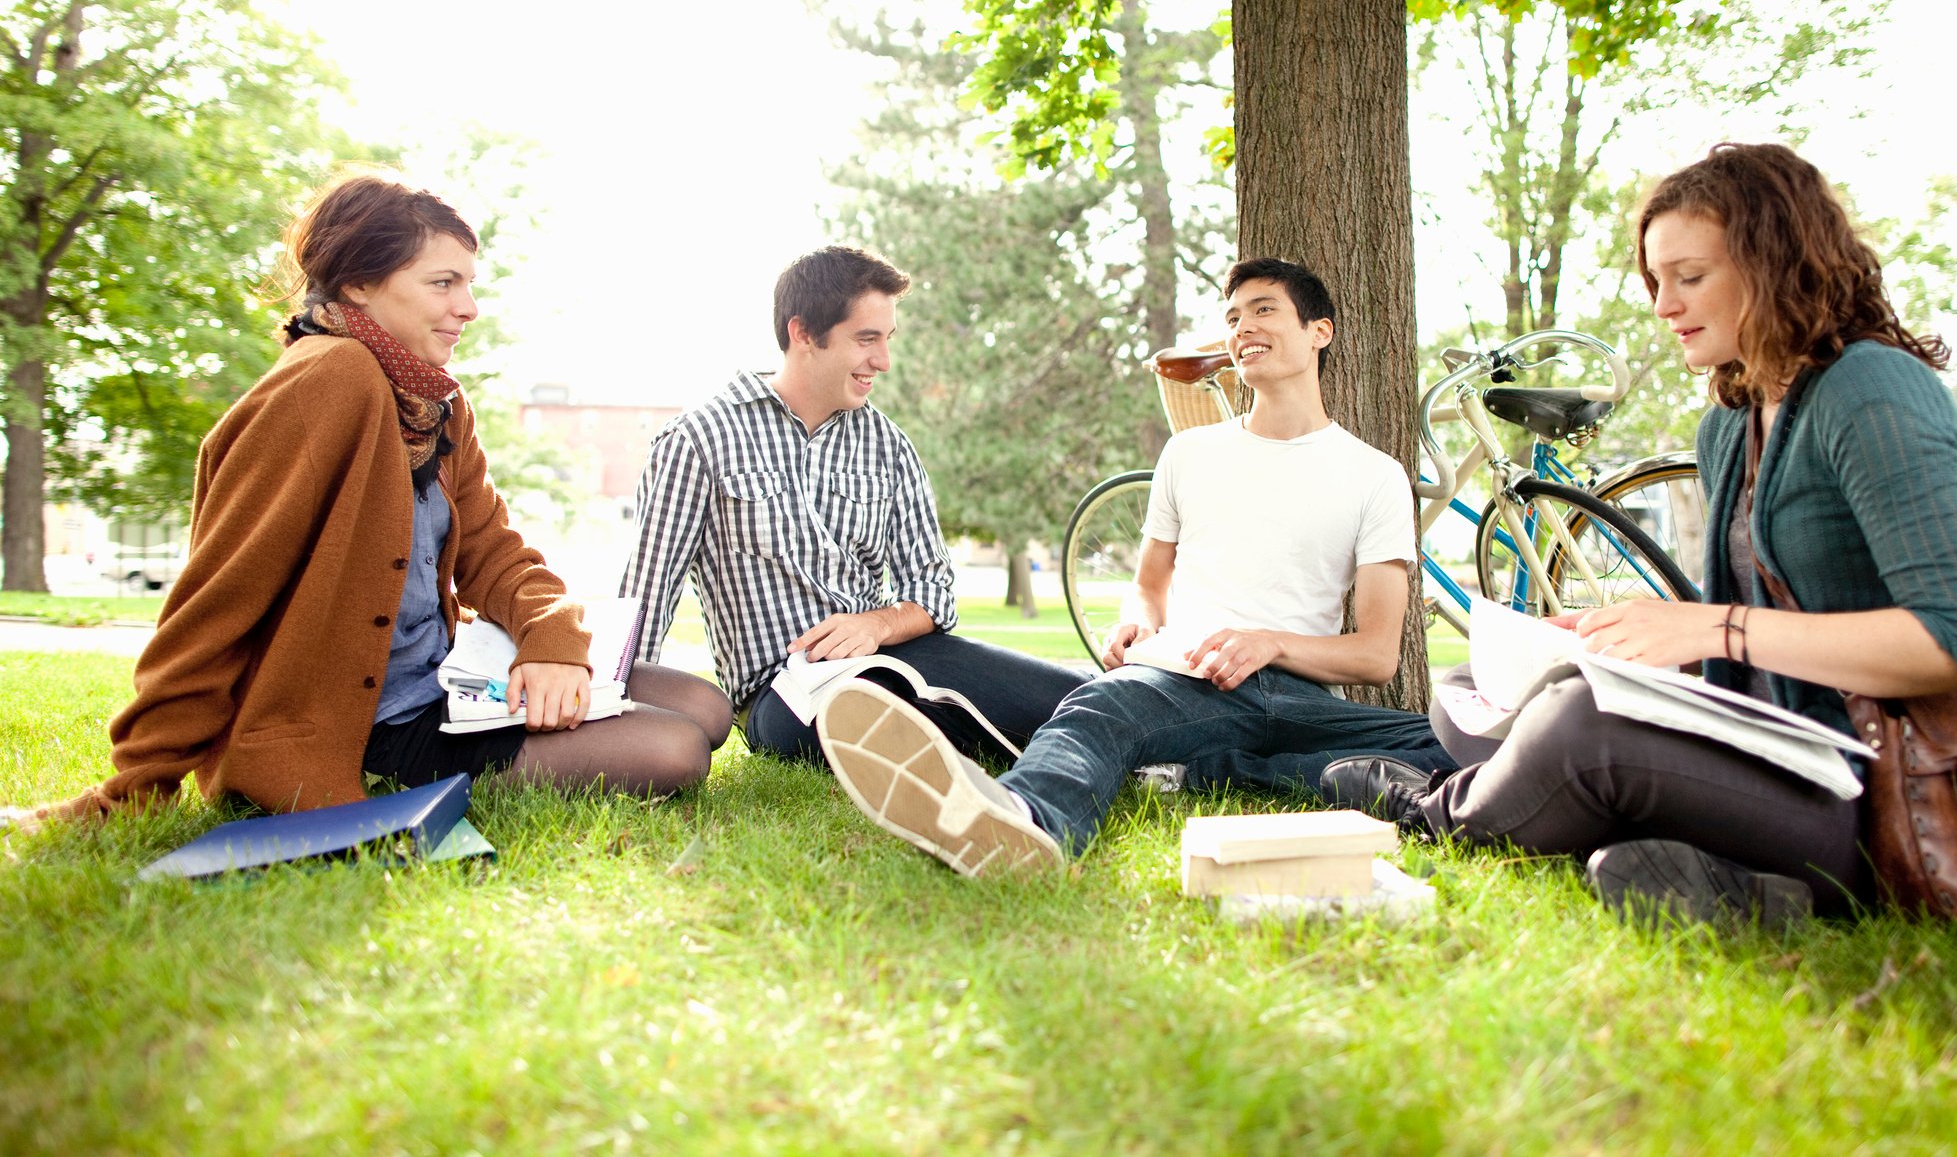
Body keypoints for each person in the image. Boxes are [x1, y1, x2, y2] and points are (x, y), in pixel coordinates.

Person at [1325, 142, 1957, 927]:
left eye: (1689, 278)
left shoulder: (1872, 390)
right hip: (1767, 752)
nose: (1662, 306)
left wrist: (1714, 628)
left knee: (1577, 730)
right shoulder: (1730, 422)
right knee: (1476, 691)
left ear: (1777, 263)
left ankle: (1441, 810)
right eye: (1656, 282)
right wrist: (1615, 638)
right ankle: (1742, 887)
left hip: (1879, 790)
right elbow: (1743, 653)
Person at [14, 173, 731, 826]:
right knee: (674, 749)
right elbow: (220, 596)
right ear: (359, 284)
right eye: (443, 283)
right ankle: (397, 775)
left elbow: (495, 553)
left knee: (706, 706)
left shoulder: (434, 402)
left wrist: (550, 643)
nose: (469, 308)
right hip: (368, 724)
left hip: (448, 682)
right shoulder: (330, 381)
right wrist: (139, 781)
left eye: (469, 284)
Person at [810, 257, 1455, 876]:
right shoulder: (1190, 454)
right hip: (1193, 683)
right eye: (1232, 318)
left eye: (1264, 311)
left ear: (1320, 332)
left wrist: (1269, 644)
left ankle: (1213, 770)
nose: (1243, 328)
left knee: (1443, 746)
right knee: (1097, 709)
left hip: (1305, 698)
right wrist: (1135, 624)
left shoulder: (1374, 475)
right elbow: (1148, 589)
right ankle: (1024, 819)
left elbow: (1375, 657)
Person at [619, 245, 1090, 765]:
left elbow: (934, 591)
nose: (883, 362)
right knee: (915, 720)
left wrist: (874, 625)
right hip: (782, 695)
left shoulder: (888, 445)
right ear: (803, 334)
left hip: (896, 658)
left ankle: (1125, 738)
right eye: (866, 339)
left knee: (1076, 694)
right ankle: (1053, 747)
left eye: (887, 340)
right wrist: (619, 720)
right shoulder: (699, 440)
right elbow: (643, 600)